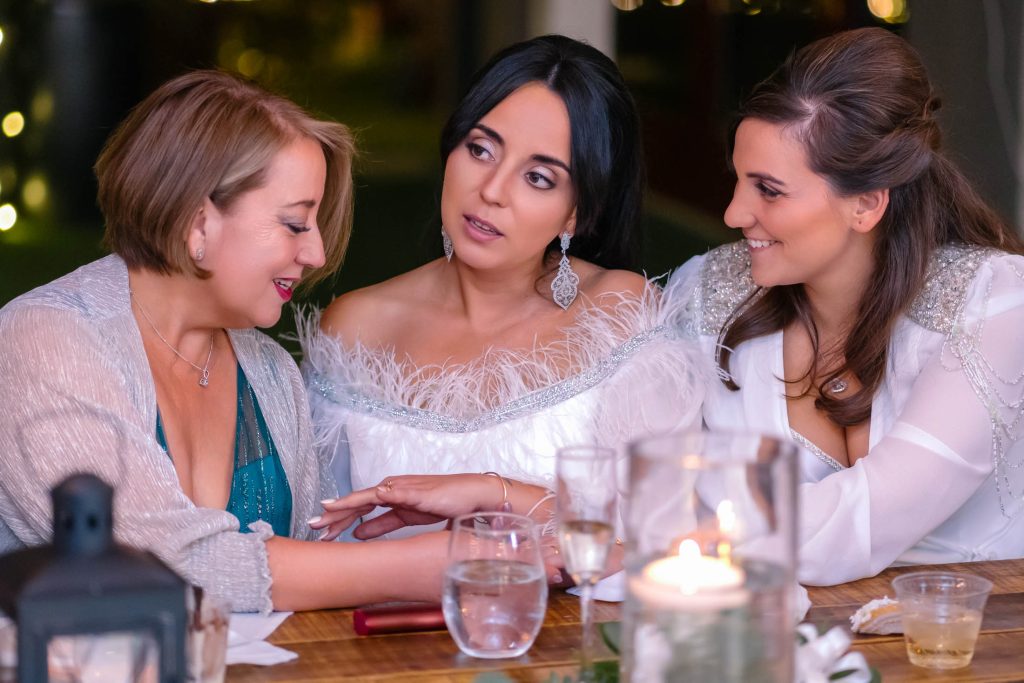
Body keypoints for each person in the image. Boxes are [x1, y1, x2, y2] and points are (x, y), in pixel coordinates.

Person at [0, 70, 457, 613]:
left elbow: (317, 562)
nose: (315, 253)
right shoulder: (45, 339)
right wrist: (429, 564)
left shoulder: (269, 371)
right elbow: (155, 568)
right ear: (198, 225)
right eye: (294, 224)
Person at [302, 35, 707, 542]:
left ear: (579, 211)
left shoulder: (617, 313)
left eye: (538, 177)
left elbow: (661, 536)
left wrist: (495, 493)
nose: (491, 191)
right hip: (379, 621)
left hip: (567, 621)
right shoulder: (355, 326)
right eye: (480, 149)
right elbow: (319, 533)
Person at [667, 27, 1024, 585]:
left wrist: (696, 549)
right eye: (737, 180)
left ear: (866, 204)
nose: (735, 213)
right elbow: (656, 482)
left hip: (975, 647)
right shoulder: (706, 294)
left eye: (769, 190)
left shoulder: (993, 303)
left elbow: (881, 507)